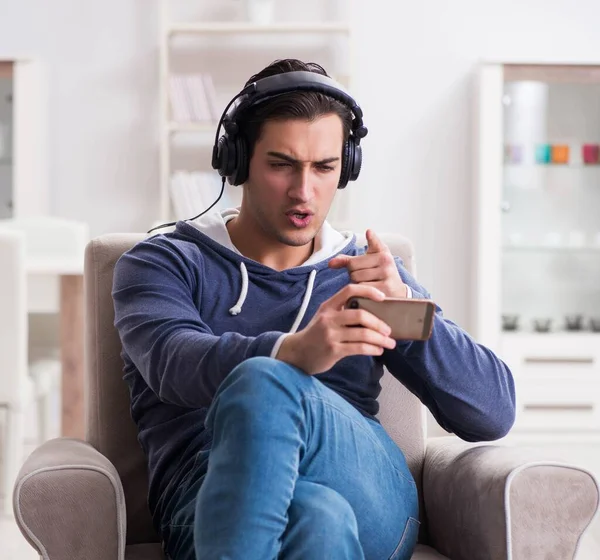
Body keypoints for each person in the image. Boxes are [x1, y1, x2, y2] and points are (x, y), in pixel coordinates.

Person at [112, 58, 516, 560]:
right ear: (237, 162)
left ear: (344, 168)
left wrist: (408, 310)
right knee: (315, 517)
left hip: (366, 486)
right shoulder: (163, 261)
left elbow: (492, 414)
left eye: (324, 168)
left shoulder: (364, 272)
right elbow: (172, 361)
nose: (304, 192)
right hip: (206, 489)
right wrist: (295, 351)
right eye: (282, 165)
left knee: (265, 383)